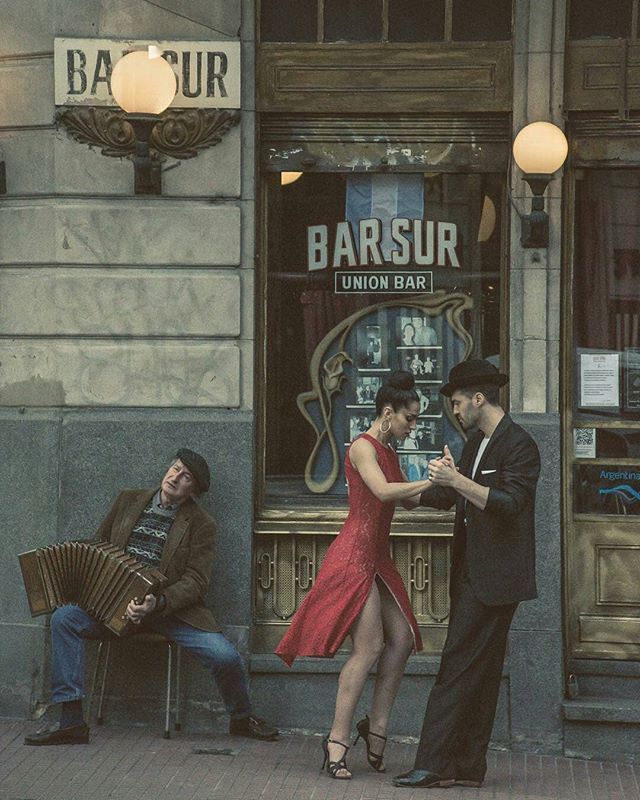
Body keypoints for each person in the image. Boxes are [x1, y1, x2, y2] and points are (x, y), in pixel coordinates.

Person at [24, 448, 278, 746]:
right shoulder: (128, 500)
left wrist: (156, 603)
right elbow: (99, 546)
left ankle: (241, 718)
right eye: (175, 468)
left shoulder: (201, 523)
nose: (175, 477)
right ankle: (71, 722)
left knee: (225, 655)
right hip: (112, 607)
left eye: (186, 477)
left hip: (168, 613)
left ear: (193, 491)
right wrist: (97, 590)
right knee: (63, 618)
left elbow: (196, 582)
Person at [276, 371, 433, 780]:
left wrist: (451, 484)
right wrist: (430, 481)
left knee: (400, 642)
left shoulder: (389, 451)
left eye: (415, 419)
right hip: (353, 558)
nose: (412, 426)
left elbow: (412, 501)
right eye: (409, 419)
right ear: (387, 412)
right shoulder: (363, 448)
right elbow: (383, 492)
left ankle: (376, 727)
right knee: (369, 648)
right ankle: (337, 739)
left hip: (376, 558)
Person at [392, 359, 540, 789]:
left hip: (497, 579)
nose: (454, 411)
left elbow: (511, 503)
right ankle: (468, 767)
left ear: (479, 398)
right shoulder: (477, 441)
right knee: (481, 672)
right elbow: (447, 494)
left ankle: (433, 762)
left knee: (457, 666)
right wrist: (400, 489)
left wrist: (457, 481)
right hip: (475, 574)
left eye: (457, 402)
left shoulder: (520, 445)